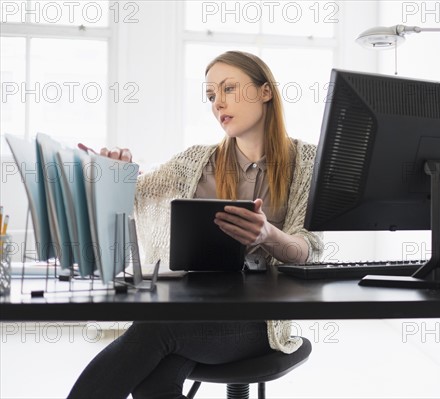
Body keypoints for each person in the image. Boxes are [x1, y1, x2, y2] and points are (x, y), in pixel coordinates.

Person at [68, 51, 323, 399]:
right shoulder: (195, 162)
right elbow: (137, 193)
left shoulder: (307, 162)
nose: (218, 103)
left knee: (154, 332)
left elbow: (309, 250)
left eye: (229, 88)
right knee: (153, 379)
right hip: (194, 308)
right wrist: (116, 173)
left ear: (265, 92)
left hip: (260, 323)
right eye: (211, 96)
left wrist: (269, 235)